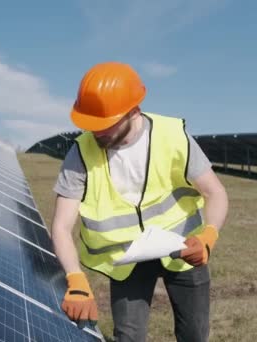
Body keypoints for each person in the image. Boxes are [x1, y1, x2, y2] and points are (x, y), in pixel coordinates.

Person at [51, 61, 229, 342]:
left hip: (183, 247)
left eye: (105, 125)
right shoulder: (81, 153)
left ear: (133, 111)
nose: (97, 133)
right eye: (91, 125)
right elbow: (61, 226)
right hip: (127, 259)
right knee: (128, 336)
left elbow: (215, 192)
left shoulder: (173, 136)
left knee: (195, 334)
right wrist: (75, 277)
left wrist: (209, 235)